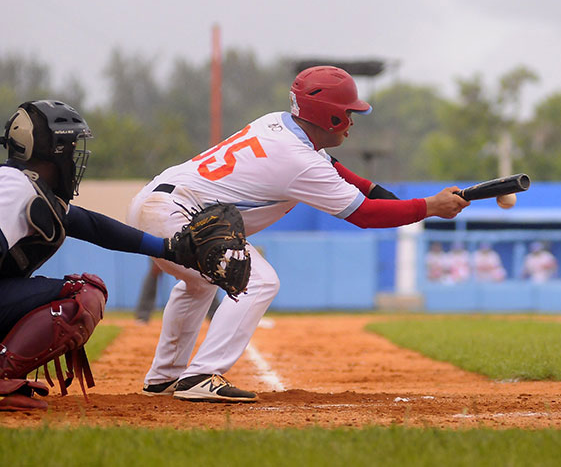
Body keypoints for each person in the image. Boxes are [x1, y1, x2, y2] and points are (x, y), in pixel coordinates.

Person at [127, 66, 470, 402]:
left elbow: (344, 174)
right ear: (329, 116)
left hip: (155, 203)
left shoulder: (278, 123)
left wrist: (407, 199)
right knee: (257, 281)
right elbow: (364, 215)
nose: (351, 121)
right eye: (348, 113)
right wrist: (429, 207)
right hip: (176, 214)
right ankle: (201, 375)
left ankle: (164, 376)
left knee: (199, 283)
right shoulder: (299, 161)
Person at [0, 100, 219, 411]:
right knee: (82, 293)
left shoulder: (26, 186)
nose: (74, 157)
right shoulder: (13, 188)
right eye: (70, 147)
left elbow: (95, 227)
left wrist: (171, 249)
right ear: (51, 150)